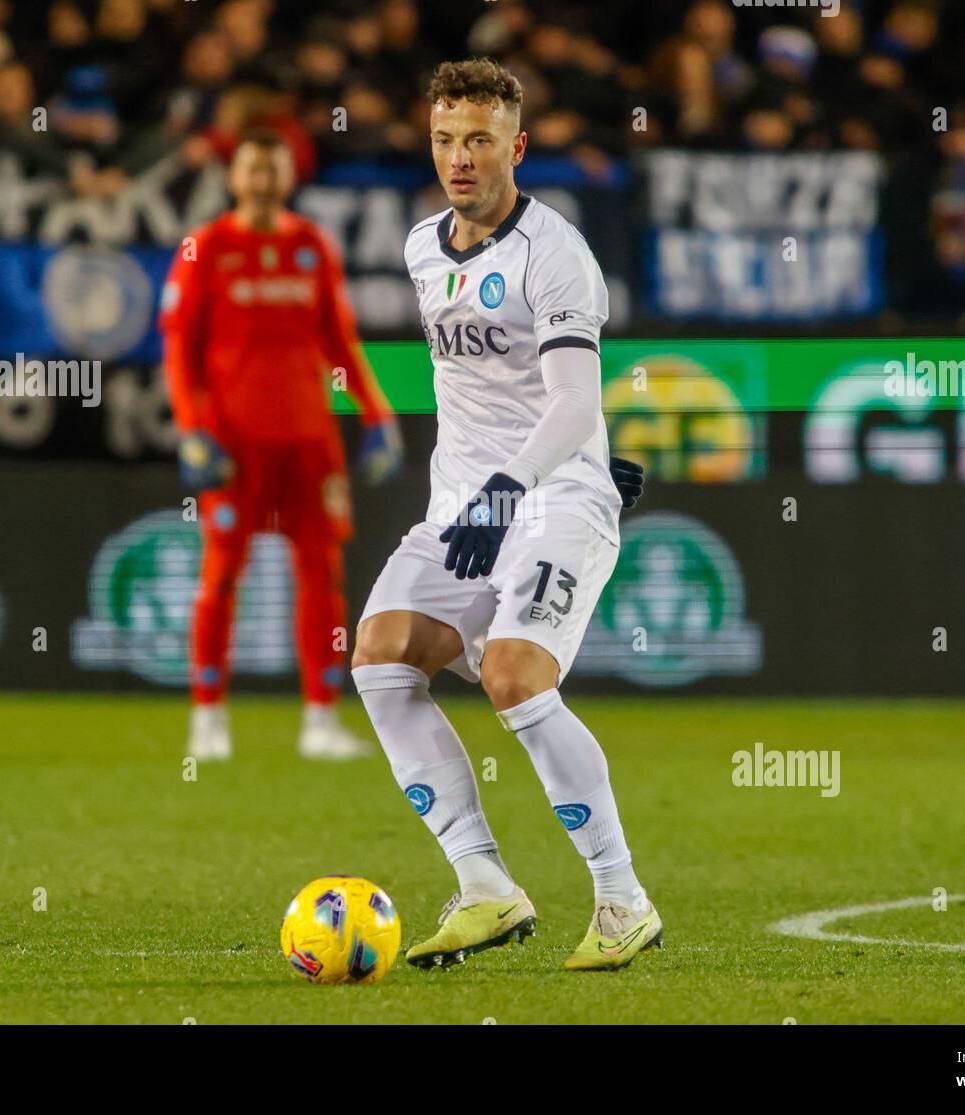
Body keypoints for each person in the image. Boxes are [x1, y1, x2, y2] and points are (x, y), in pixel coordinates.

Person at [350, 58, 658, 971]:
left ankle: (622, 899)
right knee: (379, 659)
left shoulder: (554, 253)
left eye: (479, 140)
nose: (459, 157)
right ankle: (484, 884)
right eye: (445, 139)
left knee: (516, 676)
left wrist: (550, 472)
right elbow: (487, 383)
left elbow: (568, 399)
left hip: (548, 498)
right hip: (463, 503)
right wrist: (492, 484)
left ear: (515, 147)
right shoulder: (418, 248)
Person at [160, 129, 403, 762]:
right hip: (234, 446)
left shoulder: (310, 246)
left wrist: (377, 415)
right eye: (252, 169)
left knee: (323, 578)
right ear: (234, 177)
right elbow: (179, 352)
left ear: (288, 176)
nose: (264, 180)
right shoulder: (204, 249)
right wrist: (191, 430)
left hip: (309, 445)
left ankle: (320, 720)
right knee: (220, 577)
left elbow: (340, 342)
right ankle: (208, 718)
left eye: (274, 169)